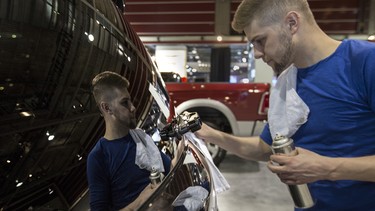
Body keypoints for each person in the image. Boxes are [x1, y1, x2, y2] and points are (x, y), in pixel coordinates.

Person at [195, 0, 375, 210]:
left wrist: (328, 169)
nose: (256, 54)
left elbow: (322, 167)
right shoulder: (287, 81)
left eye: (260, 41)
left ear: (291, 23)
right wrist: (211, 135)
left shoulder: (364, 62)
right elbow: (266, 148)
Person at [87, 71, 171, 210]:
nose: (133, 107)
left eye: (130, 101)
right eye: (125, 103)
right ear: (106, 108)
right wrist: (143, 200)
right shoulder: (99, 157)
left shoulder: (141, 137)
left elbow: (169, 168)